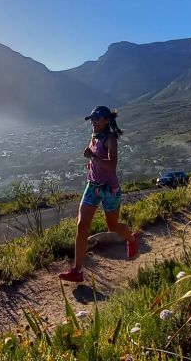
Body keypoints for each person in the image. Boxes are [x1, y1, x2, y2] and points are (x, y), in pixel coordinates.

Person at [58, 106, 139, 283]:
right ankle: (77, 270)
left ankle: (131, 239)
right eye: (92, 119)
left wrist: (92, 158)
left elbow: (111, 166)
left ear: (107, 120)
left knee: (113, 227)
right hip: (92, 186)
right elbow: (98, 161)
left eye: (97, 119)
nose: (93, 122)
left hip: (109, 189)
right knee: (81, 226)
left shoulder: (111, 139)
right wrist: (92, 165)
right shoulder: (94, 137)